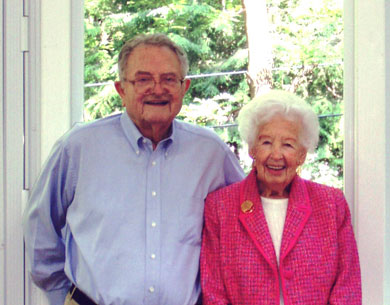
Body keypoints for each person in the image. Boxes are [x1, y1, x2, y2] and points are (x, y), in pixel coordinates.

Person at [23, 33, 244, 305]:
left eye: (168, 79)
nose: (157, 88)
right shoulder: (78, 148)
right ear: (121, 89)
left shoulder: (211, 153)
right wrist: (63, 297)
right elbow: (40, 231)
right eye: (143, 79)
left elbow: (249, 222)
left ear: (184, 87)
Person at [200, 90, 361, 305]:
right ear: (252, 149)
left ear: (302, 154)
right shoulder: (220, 207)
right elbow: (214, 293)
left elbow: (347, 288)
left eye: (288, 145)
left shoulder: (331, 204)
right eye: (266, 142)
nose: (276, 155)